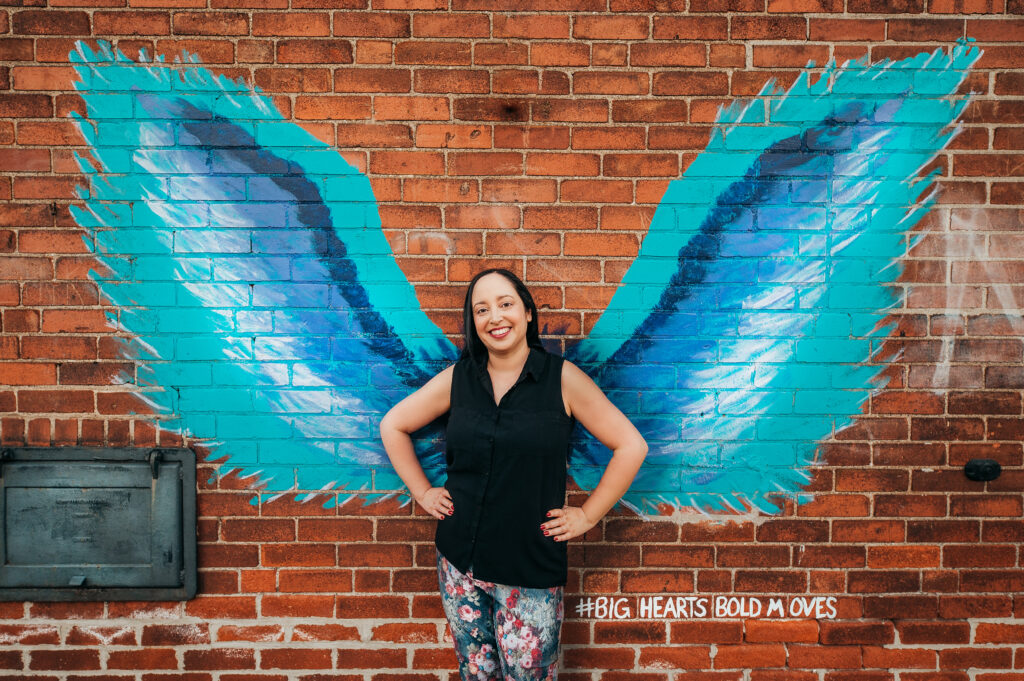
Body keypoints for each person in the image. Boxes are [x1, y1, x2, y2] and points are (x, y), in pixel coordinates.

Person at [379, 268, 647, 680]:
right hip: (460, 565)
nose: (495, 317)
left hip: (530, 573)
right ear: (473, 323)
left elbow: (631, 446)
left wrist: (588, 515)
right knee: (475, 673)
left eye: (505, 304)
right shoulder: (459, 379)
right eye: (481, 309)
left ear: (526, 313)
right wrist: (423, 491)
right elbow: (393, 425)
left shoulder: (563, 380)